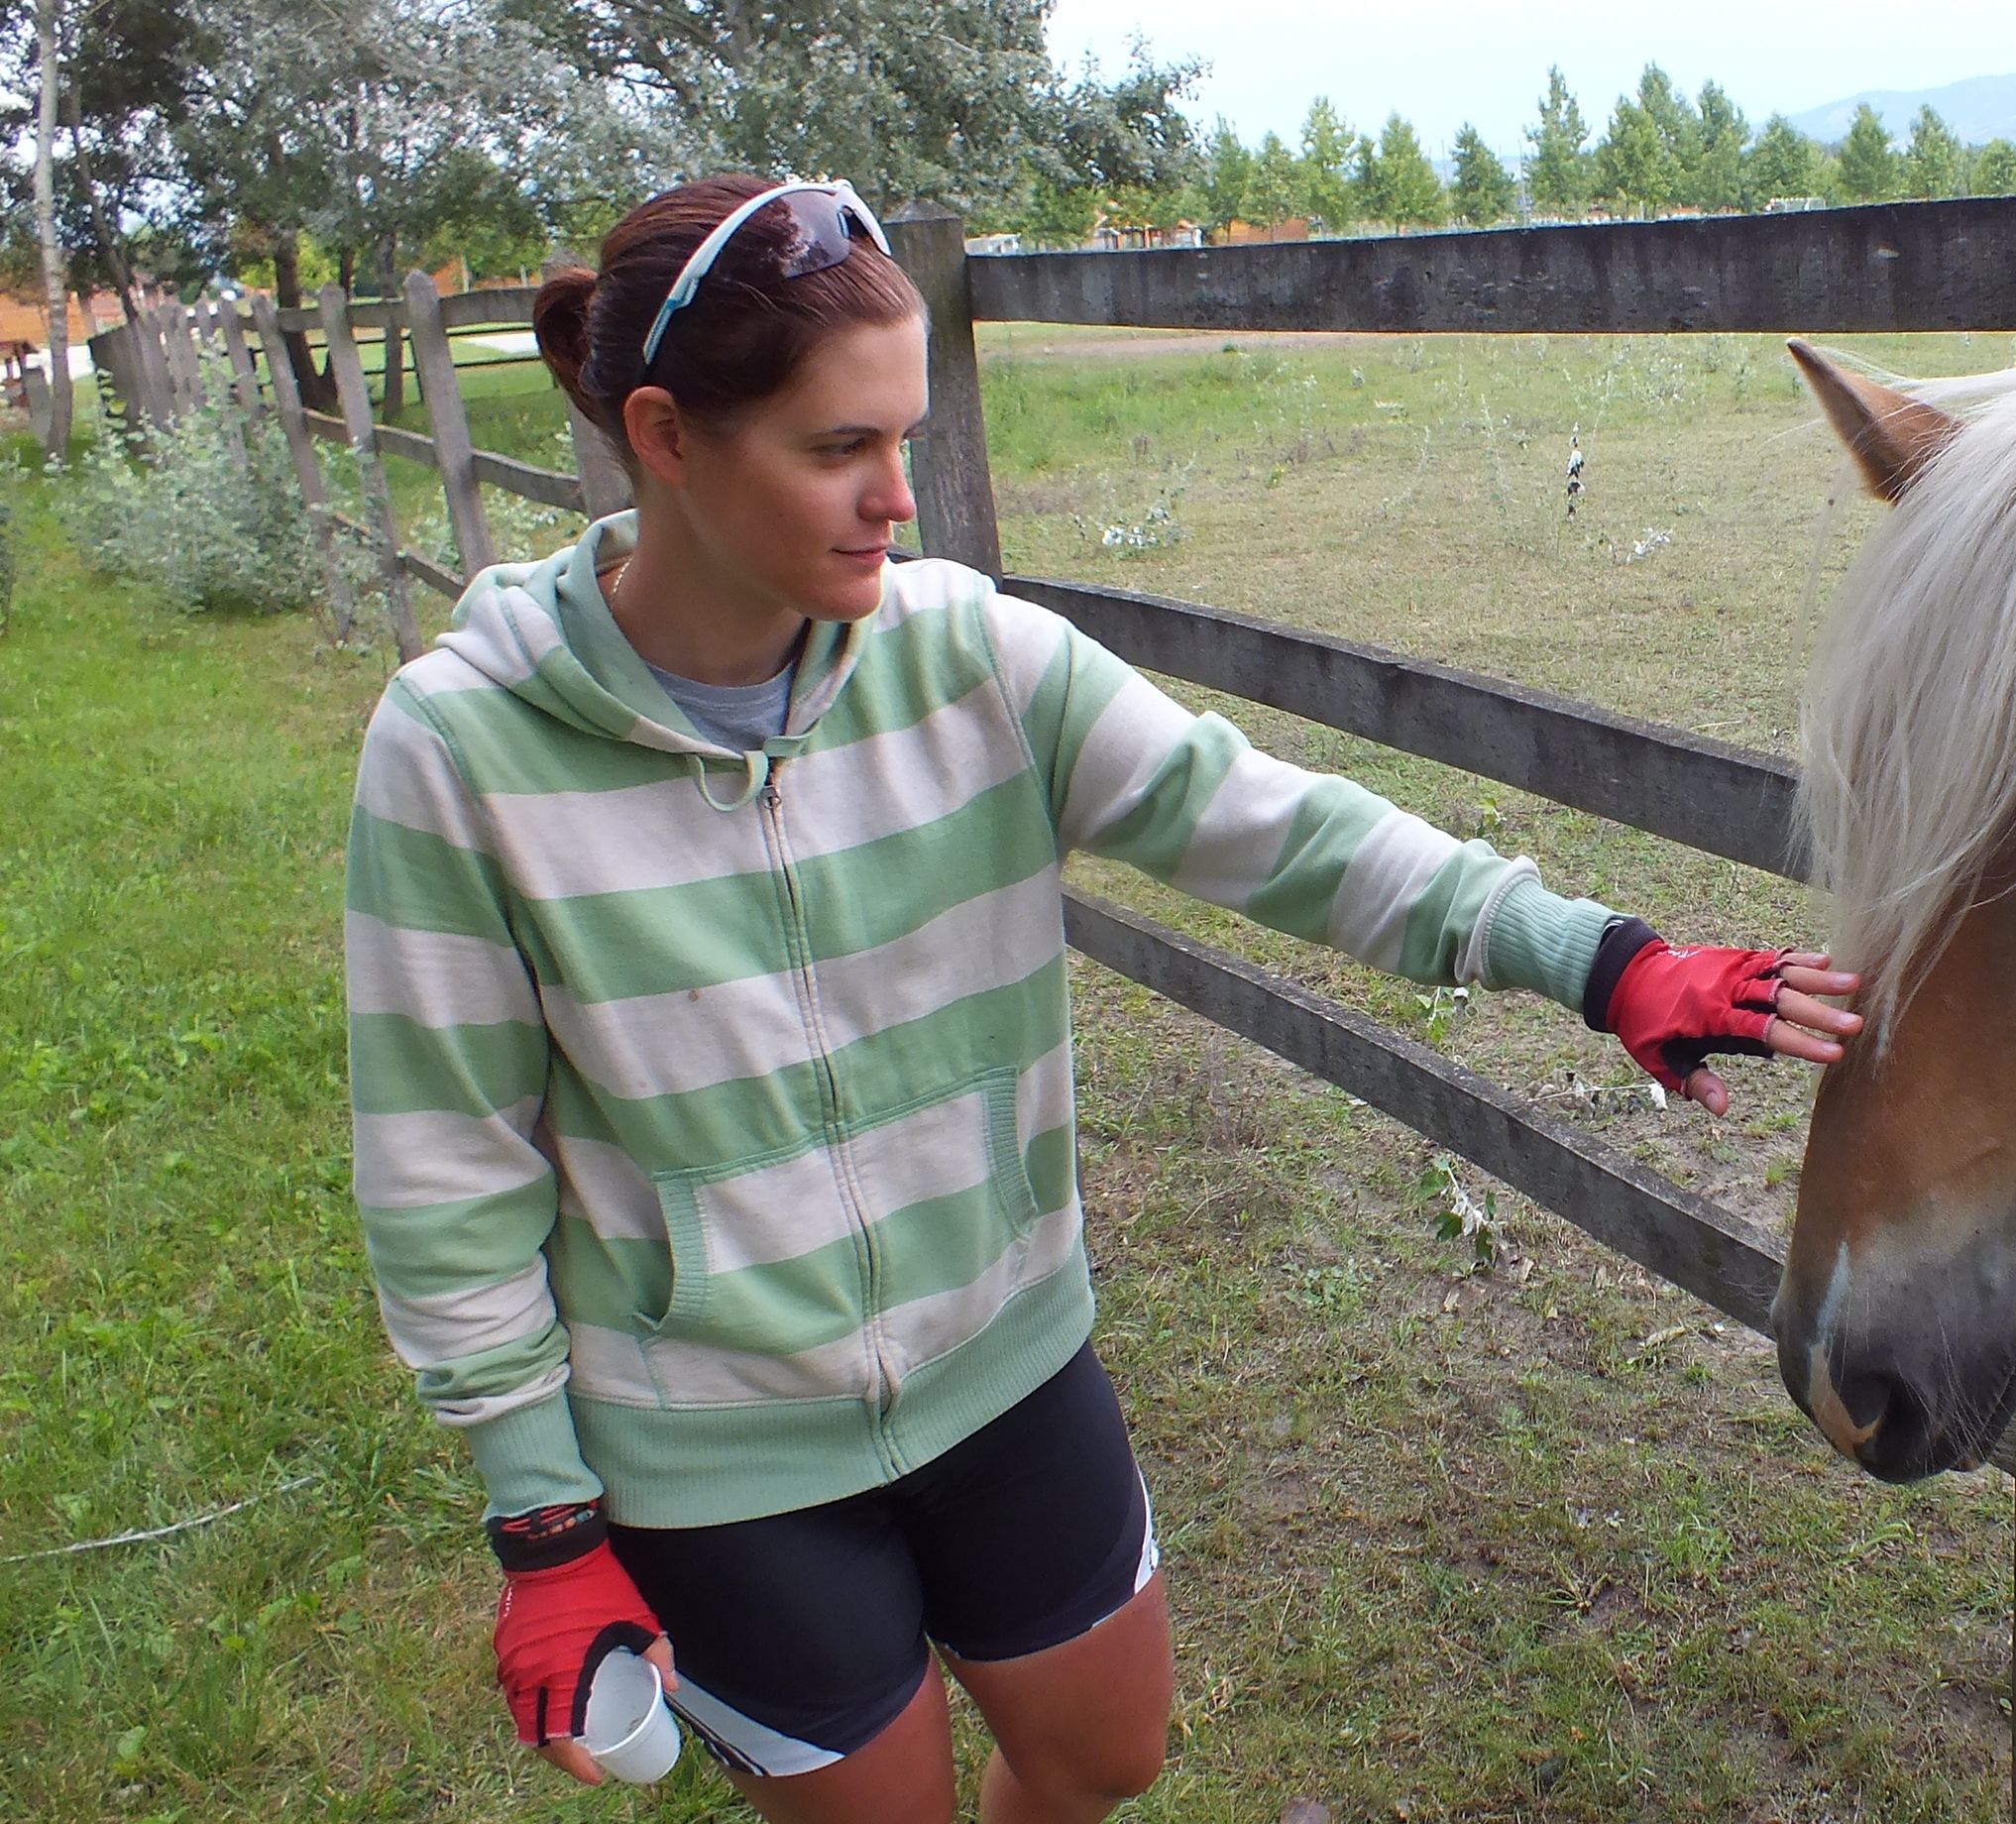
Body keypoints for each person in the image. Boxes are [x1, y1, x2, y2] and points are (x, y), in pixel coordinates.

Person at [342, 174, 1863, 1824]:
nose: (896, 499)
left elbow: (1281, 829)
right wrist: (544, 1526)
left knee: (1105, 1757)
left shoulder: (974, 661)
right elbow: (447, 1172)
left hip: (1007, 1360)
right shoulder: (458, 752)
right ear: (666, 436)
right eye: (839, 448)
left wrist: (1599, 957)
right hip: (716, 1452)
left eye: (906, 439)